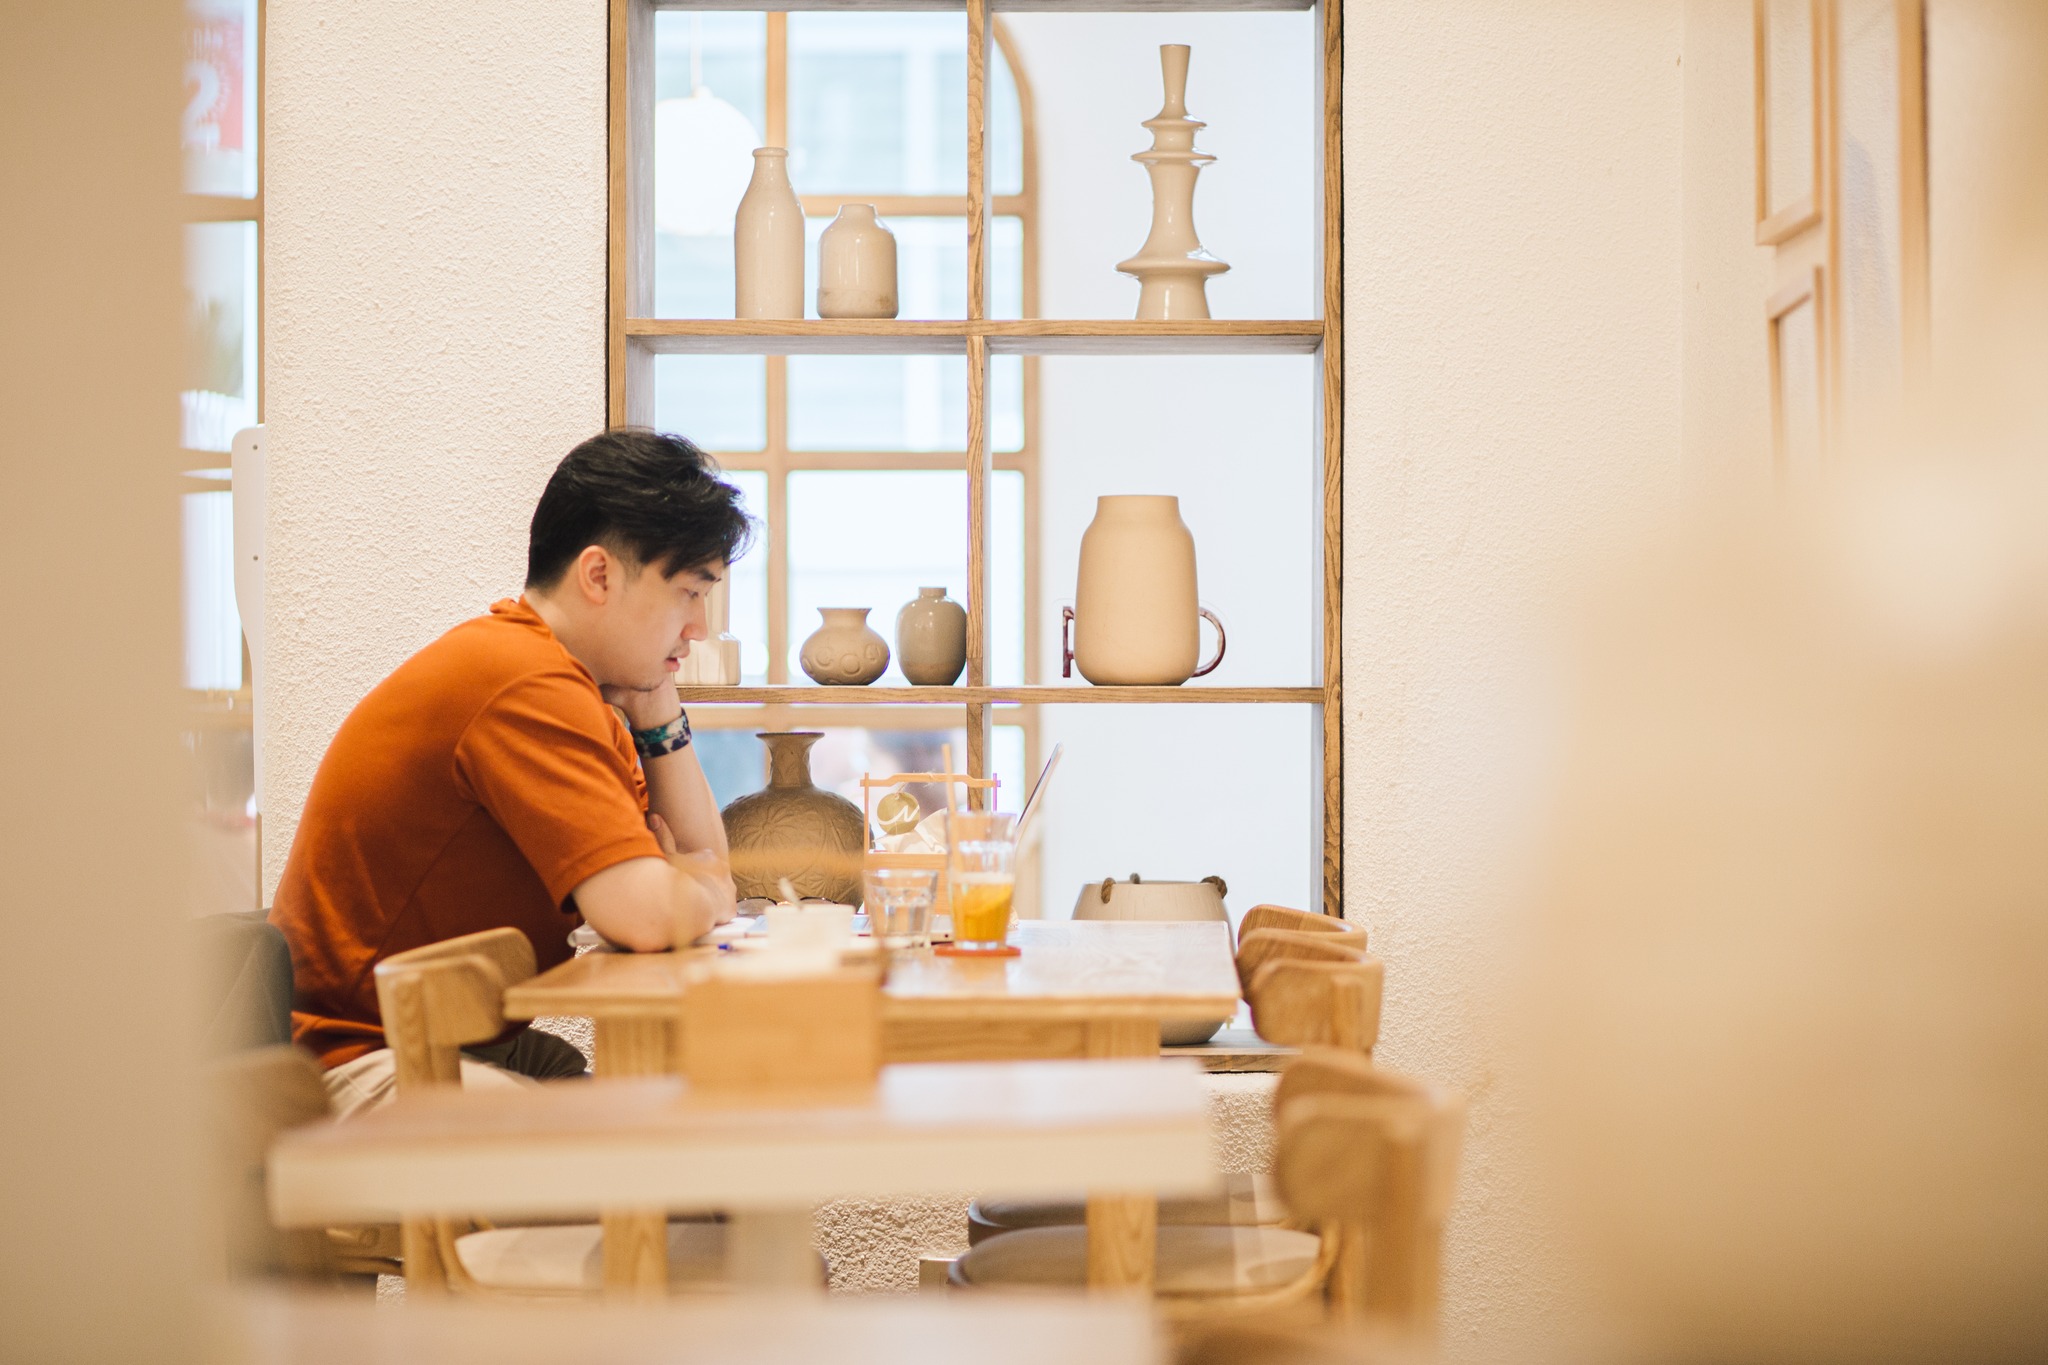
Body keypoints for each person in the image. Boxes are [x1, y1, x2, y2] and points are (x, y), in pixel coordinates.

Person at [269, 428, 749, 1113]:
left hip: (461, 1043)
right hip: (362, 1059)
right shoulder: (524, 683)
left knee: (680, 1134)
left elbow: (704, 865)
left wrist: (656, 710)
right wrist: (693, 887)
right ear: (599, 575)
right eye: (688, 592)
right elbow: (649, 913)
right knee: (655, 1150)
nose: (698, 627)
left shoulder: (577, 692)